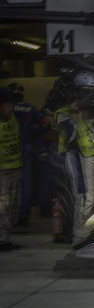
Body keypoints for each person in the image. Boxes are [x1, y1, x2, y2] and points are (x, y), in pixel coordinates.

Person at [54, 69, 94, 246]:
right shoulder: (65, 113)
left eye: (90, 91)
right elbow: (68, 133)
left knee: (88, 197)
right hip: (79, 157)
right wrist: (78, 111)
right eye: (84, 91)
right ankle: (82, 236)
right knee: (85, 196)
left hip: (90, 156)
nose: (88, 96)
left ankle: (84, 233)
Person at [6, 83, 49, 227]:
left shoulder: (5, 109)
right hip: (27, 148)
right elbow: (45, 125)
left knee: (7, 186)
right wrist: (34, 132)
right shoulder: (30, 108)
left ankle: (10, 217)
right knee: (25, 182)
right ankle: (23, 214)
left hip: (7, 151)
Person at [0, 88, 22, 251]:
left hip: (14, 168)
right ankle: (2, 239)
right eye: (7, 106)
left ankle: (5, 238)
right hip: (2, 172)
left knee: (13, 205)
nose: (11, 109)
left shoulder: (13, 118)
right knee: (3, 205)